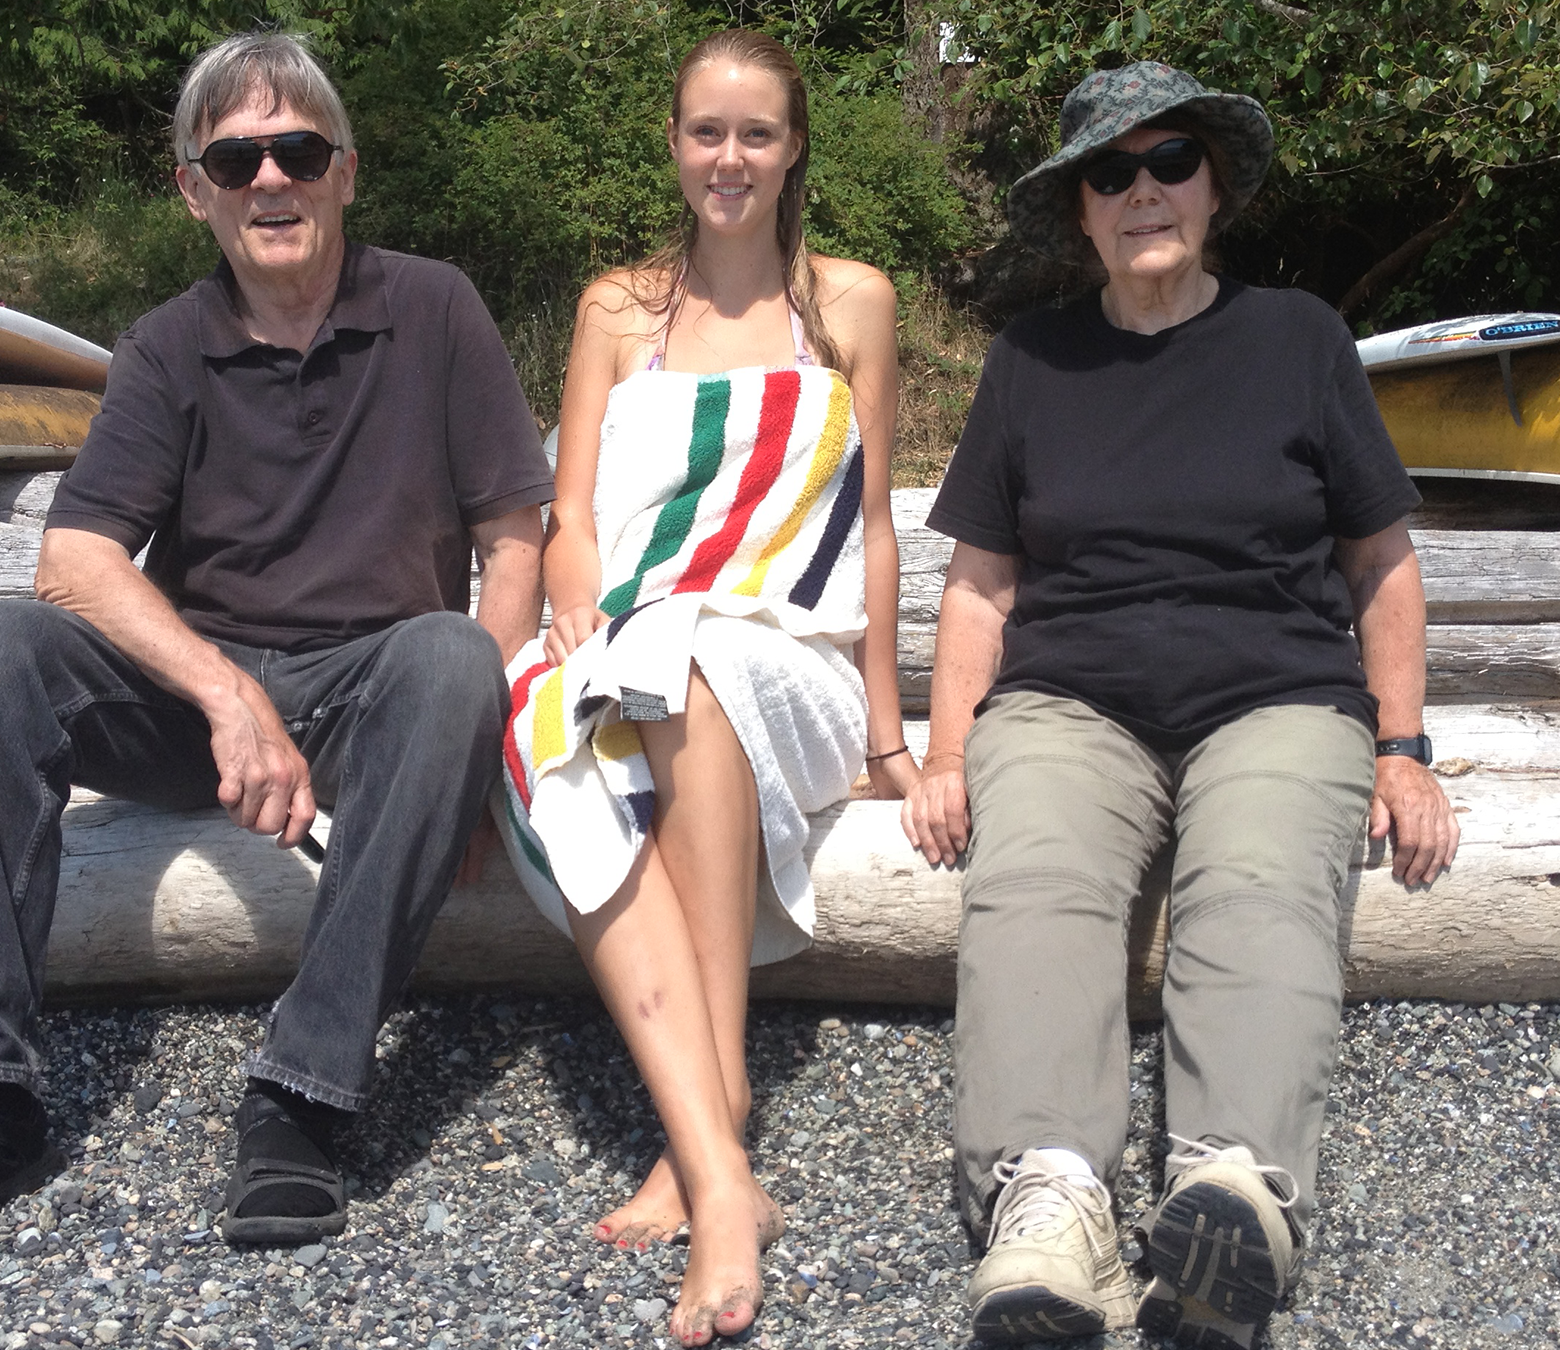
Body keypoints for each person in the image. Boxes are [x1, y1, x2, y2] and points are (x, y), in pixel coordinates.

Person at [0, 30, 552, 1266]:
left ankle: (304, 1097)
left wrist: (484, 751)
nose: (272, 180)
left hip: (379, 688)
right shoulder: (167, 343)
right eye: (238, 157)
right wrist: (225, 694)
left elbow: (513, 540)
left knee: (454, 664)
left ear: (345, 171)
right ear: (194, 187)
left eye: (299, 151)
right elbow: (77, 561)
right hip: (202, 707)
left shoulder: (435, 307)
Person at [899, 62, 1462, 1348]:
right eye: (1111, 172)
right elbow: (982, 588)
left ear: (1213, 189)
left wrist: (1406, 748)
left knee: (1259, 881)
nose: (1142, 190)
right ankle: (1051, 1203)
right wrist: (944, 751)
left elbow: (1382, 564)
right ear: (1080, 212)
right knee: (1032, 879)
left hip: (1277, 697)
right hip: (1070, 703)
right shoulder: (1031, 359)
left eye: (1169, 163)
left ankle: (1234, 1191)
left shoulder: (1298, 338)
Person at [494, 28, 916, 1347]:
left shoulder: (852, 303)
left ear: (794, 152)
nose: (728, 158)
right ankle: (721, 1154)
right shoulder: (617, 309)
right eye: (705, 132)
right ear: (673, 144)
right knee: (564, 708)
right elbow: (566, 513)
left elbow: (880, 524)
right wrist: (570, 592)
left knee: (701, 659)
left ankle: (711, 1145)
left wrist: (893, 730)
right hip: (636, 638)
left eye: (757, 134)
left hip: (796, 654)